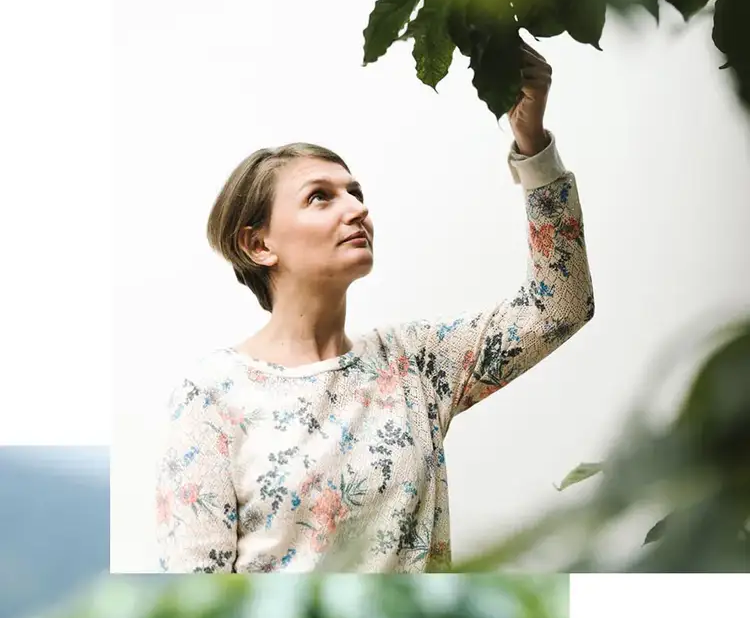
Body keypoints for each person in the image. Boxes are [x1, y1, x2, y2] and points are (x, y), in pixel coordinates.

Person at [156, 44, 594, 573]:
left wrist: (532, 142)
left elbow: (560, 306)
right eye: (321, 196)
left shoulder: (415, 364)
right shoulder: (213, 394)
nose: (357, 209)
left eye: (355, 192)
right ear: (258, 245)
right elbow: (197, 590)